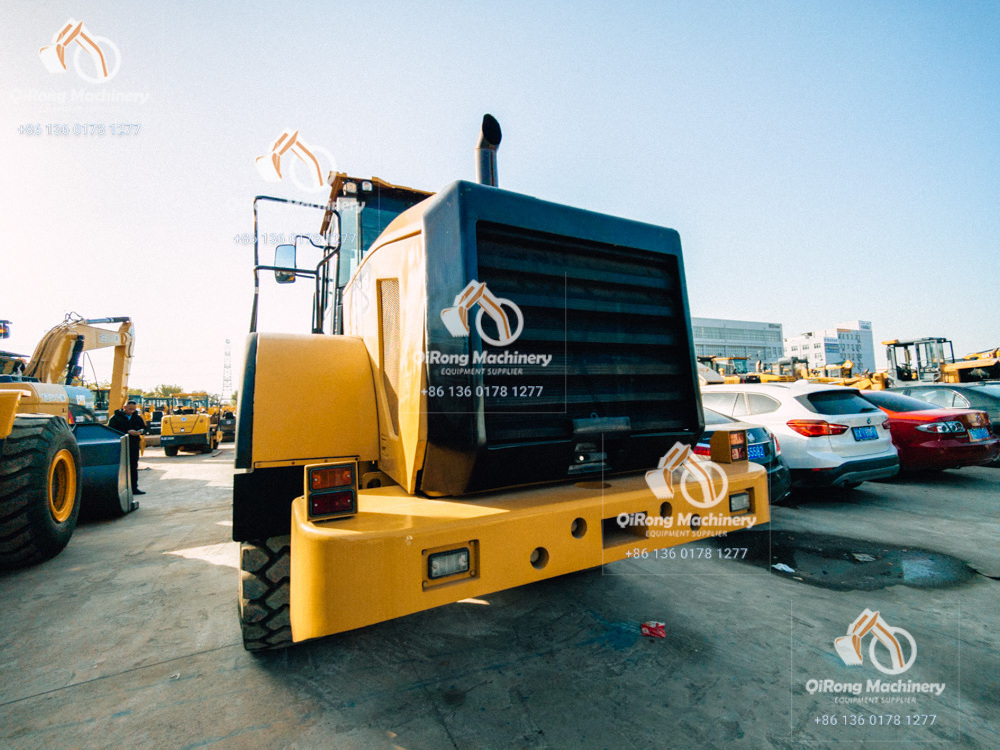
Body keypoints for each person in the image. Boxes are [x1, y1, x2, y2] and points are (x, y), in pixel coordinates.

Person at [109, 400, 147, 496]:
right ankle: (119, 489)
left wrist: (140, 431)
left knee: (133, 466)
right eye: (130, 409)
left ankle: (134, 488)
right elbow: (111, 430)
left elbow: (145, 428)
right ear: (124, 407)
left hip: (133, 445)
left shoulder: (137, 418)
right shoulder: (116, 418)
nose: (132, 411)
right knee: (121, 467)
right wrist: (127, 432)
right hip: (120, 445)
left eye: (134, 409)